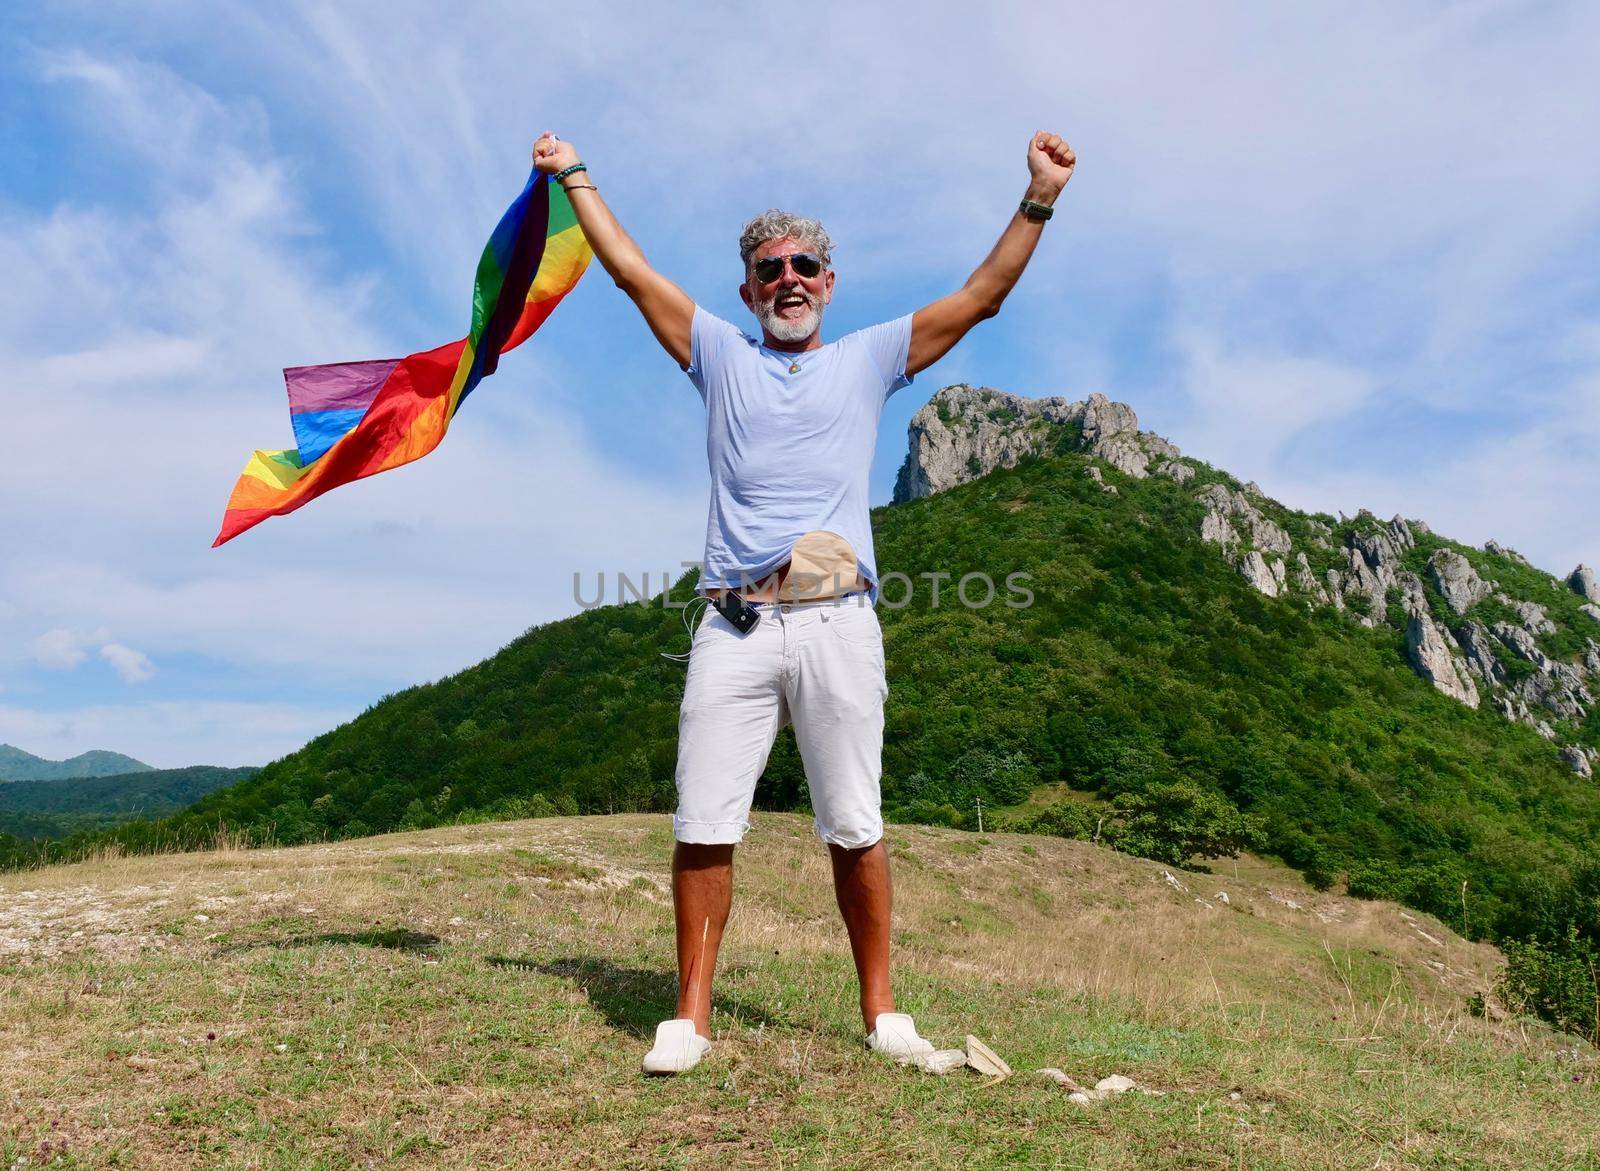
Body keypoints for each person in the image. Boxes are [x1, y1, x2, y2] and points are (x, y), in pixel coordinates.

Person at [531, 128, 1076, 1074]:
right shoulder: (716, 351)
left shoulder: (868, 357)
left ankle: (883, 1016)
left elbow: (982, 297)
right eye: (768, 268)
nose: (787, 278)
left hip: (837, 624)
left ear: (827, 283)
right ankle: (689, 1018)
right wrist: (575, 175)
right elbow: (628, 271)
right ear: (748, 290)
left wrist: (1040, 196)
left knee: (854, 821)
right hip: (732, 626)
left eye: (804, 266)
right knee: (704, 819)